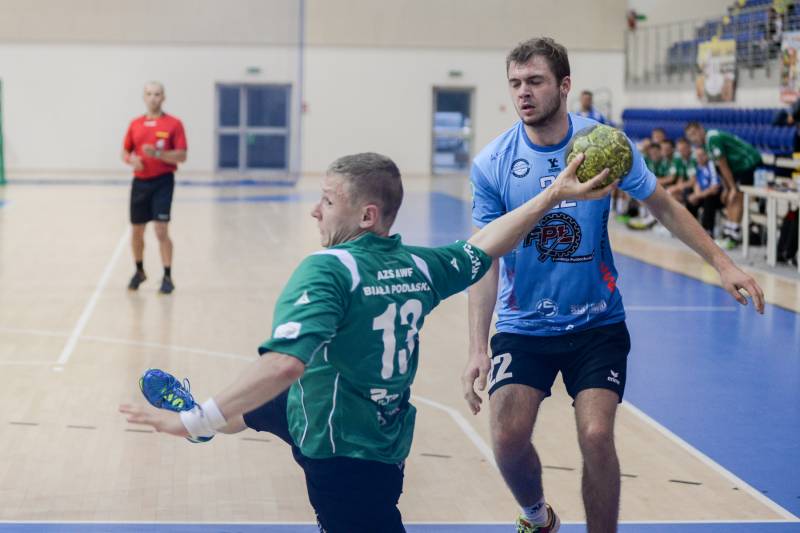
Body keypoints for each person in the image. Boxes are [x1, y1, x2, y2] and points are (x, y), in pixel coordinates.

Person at [120, 151, 616, 533]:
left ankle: (202, 421)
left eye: (327, 201)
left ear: (366, 215)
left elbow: (285, 364)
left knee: (273, 397)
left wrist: (188, 421)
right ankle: (210, 423)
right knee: (262, 404)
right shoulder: (419, 266)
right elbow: (485, 244)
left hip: (342, 451)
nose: (314, 211)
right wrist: (553, 195)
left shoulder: (327, 270)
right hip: (353, 418)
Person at [462, 37, 765, 533]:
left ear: (564, 85)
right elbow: (484, 257)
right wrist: (477, 345)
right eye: (515, 83)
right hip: (523, 326)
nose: (523, 93)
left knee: (597, 435)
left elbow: (663, 204)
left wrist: (722, 263)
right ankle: (538, 517)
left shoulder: (605, 146)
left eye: (535, 81)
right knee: (507, 438)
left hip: (597, 322)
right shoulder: (493, 163)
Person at [122, 81, 187, 294]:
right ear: (144, 97)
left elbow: (182, 155)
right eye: (149, 94)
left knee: (161, 229)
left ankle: (167, 276)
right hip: (140, 182)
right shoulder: (135, 124)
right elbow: (125, 152)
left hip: (163, 181)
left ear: (163, 97)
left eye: (157, 94)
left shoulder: (174, 124)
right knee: (137, 230)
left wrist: (158, 154)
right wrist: (131, 160)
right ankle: (139, 271)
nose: (153, 98)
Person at [684, 121, 762, 250]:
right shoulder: (706, 144)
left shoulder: (712, 138)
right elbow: (719, 168)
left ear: (701, 129)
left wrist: (732, 188)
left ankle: (733, 237)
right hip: (737, 168)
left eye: (694, 133)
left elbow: (723, 164)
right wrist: (726, 188)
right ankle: (728, 233)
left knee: (737, 197)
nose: (693, 138)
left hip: (748, 163)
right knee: (730, 198)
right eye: (690, 136)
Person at [686, 146, 724, 236]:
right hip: (704, 194)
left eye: (702, 155)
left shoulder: (712, 166)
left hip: (718, 196)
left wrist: (699, 195)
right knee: (689, 199)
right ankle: (692, 229)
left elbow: (715, 188)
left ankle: (707, 231)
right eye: (697, 156)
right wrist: (696, 194)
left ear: (707, 155)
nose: (700, 158)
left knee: (709, 200)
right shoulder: (698, 167)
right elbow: (696, 183)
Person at [666, 137, 697, 204]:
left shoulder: (693, 159)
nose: (682, 152)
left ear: (689, 147)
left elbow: (693, 181)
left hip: (697, 186)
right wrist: (677, 187)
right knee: (671, 192)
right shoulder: (681, 159)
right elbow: (681, 177)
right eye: (680, 150)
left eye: (684, 149)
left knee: (674, 193)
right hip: (688, 185)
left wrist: (677, 187)